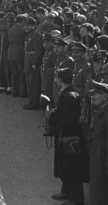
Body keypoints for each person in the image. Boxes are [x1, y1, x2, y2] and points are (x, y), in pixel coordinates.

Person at [46, 68, 85, 205]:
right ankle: (67, 193)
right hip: (66, 138)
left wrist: (53, 116)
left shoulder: (69, 96)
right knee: (65, 167)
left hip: (69, 139)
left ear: (60, 80)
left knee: (71, 170)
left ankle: (76, 200)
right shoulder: (69, 93)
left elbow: (68, 120)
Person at [88, 80, 108, 205]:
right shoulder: (99, 112)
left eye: (97, 93)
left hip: (103, 164)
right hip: (97, 161)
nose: (93, 96)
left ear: (105, 97)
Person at [23, 16, 44, 110]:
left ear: (34, 26)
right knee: (29, 83)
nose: (26, 27)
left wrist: (35, 63)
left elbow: (38, 51)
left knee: (33, 84)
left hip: (32, 61)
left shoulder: (36, 35)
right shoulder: (29, 35)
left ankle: (34, 103)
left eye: (29, 25)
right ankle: (31, 101)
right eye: (25, 25)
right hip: (28, 60)